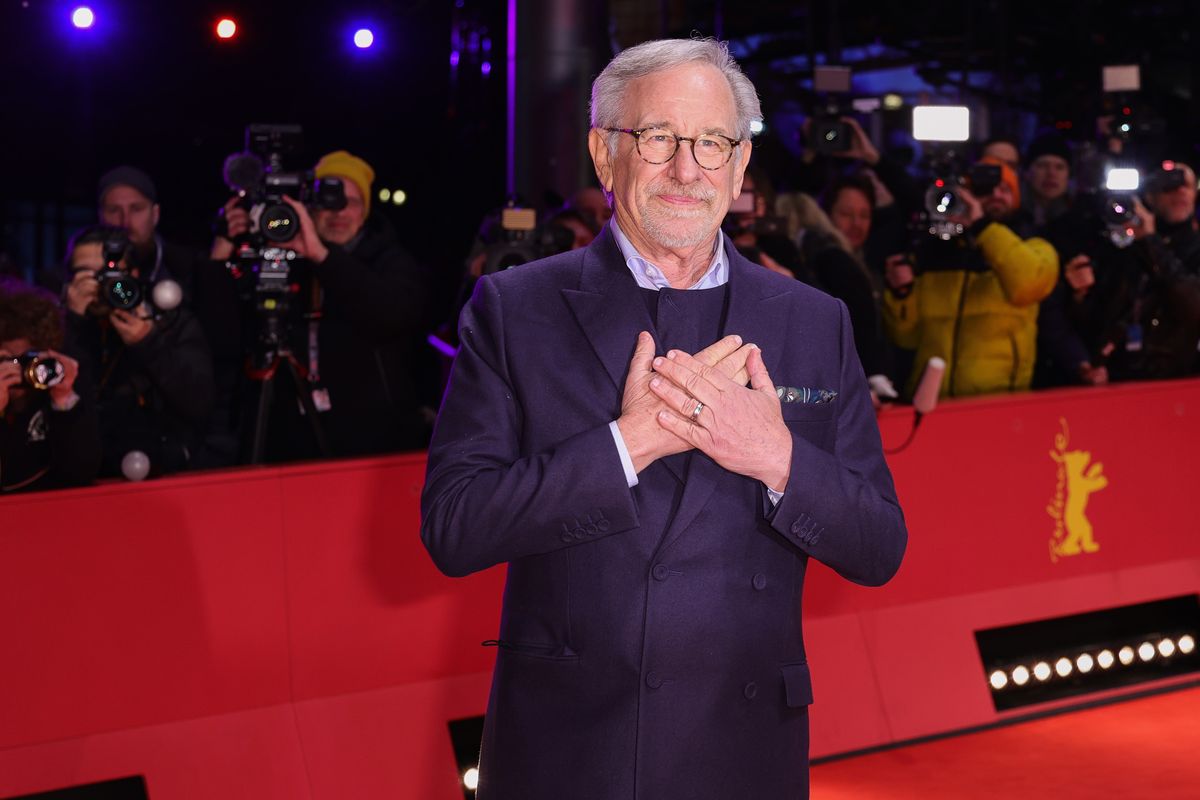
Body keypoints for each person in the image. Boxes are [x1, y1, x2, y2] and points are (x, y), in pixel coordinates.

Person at [421, 38, 906, 799]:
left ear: (741, 166)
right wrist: (627, 443)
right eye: (658, 139)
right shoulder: (517, 309)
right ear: (604, 153)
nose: (687, 169)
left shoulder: (815, 321)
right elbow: (455, 527)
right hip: (572, 750)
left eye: (712, 143)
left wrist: (777, 457)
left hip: (745, 750)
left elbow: (879, 545)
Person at [210, 149, 435, 461]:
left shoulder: (390, 260)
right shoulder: (279, 260)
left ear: (365, 211)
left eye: (351, 202)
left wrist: (320, 255)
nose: (339, 211)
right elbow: (222, 337)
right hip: (288, 444)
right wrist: (220, 251)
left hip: (374, 445)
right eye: (328, 200)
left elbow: (390, 315)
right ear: (308, 208)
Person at [882, 156, 1060, 397]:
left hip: (1000, 402)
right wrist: (901, 294)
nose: (996, 194)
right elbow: (906, 338)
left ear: (1017, 199)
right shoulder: (932, 251)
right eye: (985, 190)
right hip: (934, 401)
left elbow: (1026, 284)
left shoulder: (1037, 246)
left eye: (1005, 189)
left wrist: (982, 226)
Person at [63, 225, 213, 478]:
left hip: (160, 471)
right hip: (86, 474)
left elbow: (200, 404)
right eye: (88, 274)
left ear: (132, 275)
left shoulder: (169, 322)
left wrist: (148, 342)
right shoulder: (58, 329)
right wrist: (74, 323)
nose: (102, 285)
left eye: (111, 275)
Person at [1, 278, 100, 492]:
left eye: (26, 359)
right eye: (6, 360)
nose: (16, 370)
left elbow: (80, 474)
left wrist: (64, 400)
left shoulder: (52, 385)